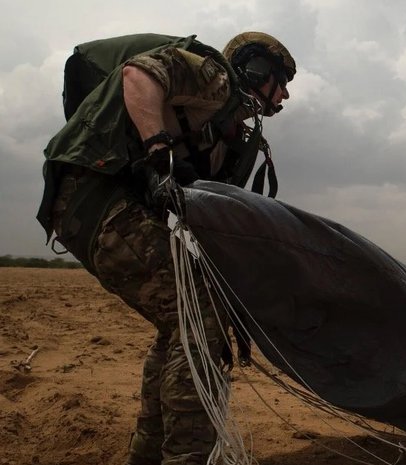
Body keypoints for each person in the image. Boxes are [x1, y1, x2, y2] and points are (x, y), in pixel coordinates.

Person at [36, 31, 295, 465]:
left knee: (182, 322)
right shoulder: (215, 80)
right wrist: (159, 149)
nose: (285, 93)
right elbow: (139, 73)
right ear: (257, 70)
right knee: (200, 315)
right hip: (96, 196)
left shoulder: (223, 130)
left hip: (89, 205)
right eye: (281, 79)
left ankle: (148, 455)